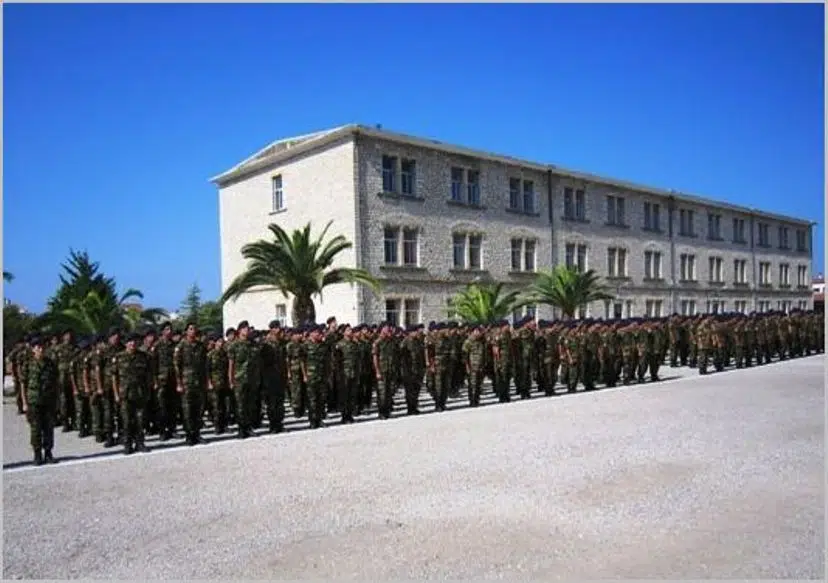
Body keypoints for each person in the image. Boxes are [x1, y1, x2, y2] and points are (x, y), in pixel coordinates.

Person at [22, 336, 59, 465]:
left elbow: (55, 382)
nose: (41, 349)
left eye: (42, 347)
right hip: (34, 401)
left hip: (48, 401)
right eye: (38, 347)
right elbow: (23, 384)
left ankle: (48, 453)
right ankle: (37, 454)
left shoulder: (50, 364)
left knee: (48, 428)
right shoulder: (28, 364)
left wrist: (56, 400)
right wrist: (24, 403)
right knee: (35, 429)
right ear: (33, 349)